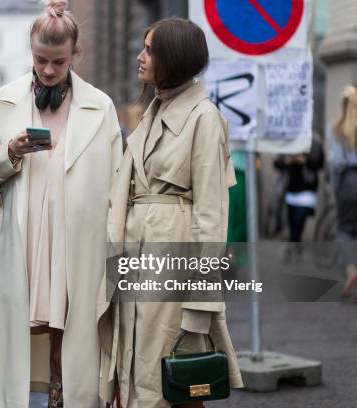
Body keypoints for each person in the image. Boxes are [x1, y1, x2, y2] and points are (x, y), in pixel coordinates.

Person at [0, 1, 123, 406]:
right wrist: (11, 151)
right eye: (41, 60)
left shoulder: (101, 107)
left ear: (75, 56)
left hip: (79, 242)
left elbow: (117, 182)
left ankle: (62, 393)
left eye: (58, 61)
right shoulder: (4, 100)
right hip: (24, 239)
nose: (49, 70)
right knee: (19, 336)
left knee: (75, 333)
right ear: (30, 52)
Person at [97, 18, 243, 408]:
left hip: (173, 266)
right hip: (137, 257)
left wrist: (200, 304)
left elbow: (212, 214)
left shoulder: (203, 118)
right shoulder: (154, 109)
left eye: (149, 49)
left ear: (173, 58)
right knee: (135, 368)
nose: (140, 57)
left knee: (170, 382)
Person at [327, 84, 357, 300]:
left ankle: (351, 271)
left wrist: (335, 186)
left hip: (348, 182)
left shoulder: (336, 128)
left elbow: (335, 163)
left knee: (345, 230)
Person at [273, 140, 324, 246]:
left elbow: (319, 163)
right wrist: (287, 160)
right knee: (291, 223)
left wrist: (305, 160)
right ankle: (295, 247)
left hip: (306, 190)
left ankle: (294, 245)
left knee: (298, 221)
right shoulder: (287, 139)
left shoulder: (314, 141)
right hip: (289, 190)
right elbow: (276, 162)